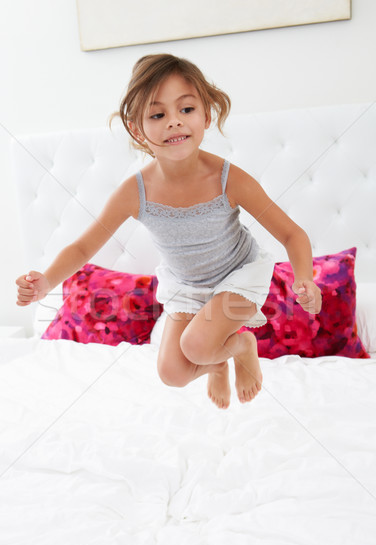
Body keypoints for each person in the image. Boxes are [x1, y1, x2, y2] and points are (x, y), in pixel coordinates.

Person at [16, 53, 322, 410]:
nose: (174, 122)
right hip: (187, 286)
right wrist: (47, 282)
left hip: (238, 275)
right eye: (158, 115)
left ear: (207, 115)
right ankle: (217, 364)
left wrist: (305, 279)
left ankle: (241, 346)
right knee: (172, 373)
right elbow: (84, 247)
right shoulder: (136, 191)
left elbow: (292, 235)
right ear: (137, 129)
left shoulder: (228, 179)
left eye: (186, 110)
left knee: (196, 345)